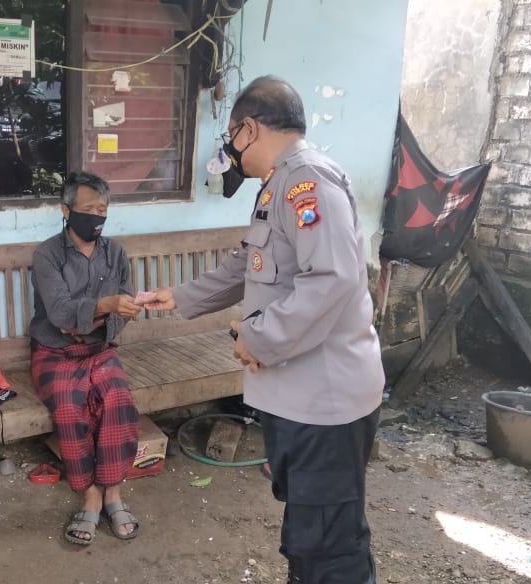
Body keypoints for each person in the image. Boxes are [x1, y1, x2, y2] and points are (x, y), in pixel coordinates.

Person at [144, 76, 383, 583]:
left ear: (248, 129)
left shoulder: (307, 183)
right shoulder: (278, 186)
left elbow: (334, 278)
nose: (230, 150)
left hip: (325, 402)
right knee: (309, 533)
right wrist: (182, 297)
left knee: (328, 544)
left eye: (231, 136)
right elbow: (248, 265)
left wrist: (258, 339)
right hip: (300, 398)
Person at [29, 171, 143, 546]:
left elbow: (125, 310)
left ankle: (112, 492)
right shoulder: (47, 254)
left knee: (118, 399)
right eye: (88, 209)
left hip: (99, 348)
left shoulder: (116, 253)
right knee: (69, 406)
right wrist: (105, 307)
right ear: (66, 211)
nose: (97, 217)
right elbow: (60, 317)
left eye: (102, 210)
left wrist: (95, 319)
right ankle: (90, 494)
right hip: (54, 351)